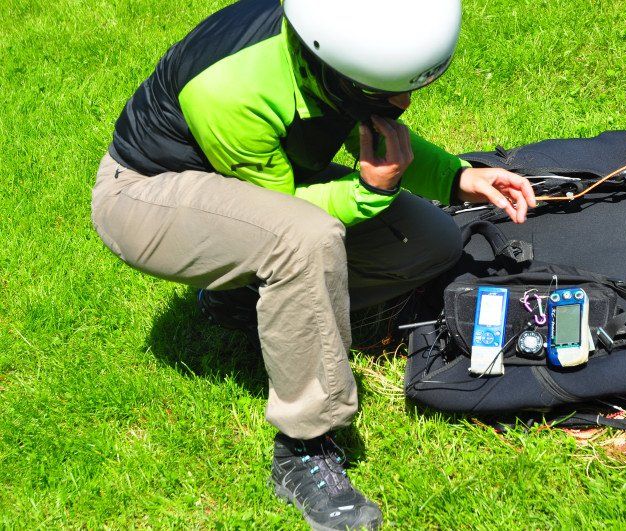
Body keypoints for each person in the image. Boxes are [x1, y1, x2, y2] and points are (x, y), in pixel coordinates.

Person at [91, 0, 536, 528]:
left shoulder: (326, 51)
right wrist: (369, 191)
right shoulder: (234, 89)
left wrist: (458, 178)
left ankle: (243, 301)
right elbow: (285, 212)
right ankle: (303, 447)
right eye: (386, 93)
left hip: (251, 184)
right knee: (303, 241)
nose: (403, 103)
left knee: (432, 240)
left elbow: (360, 128)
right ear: (332, 69)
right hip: (144, 196)